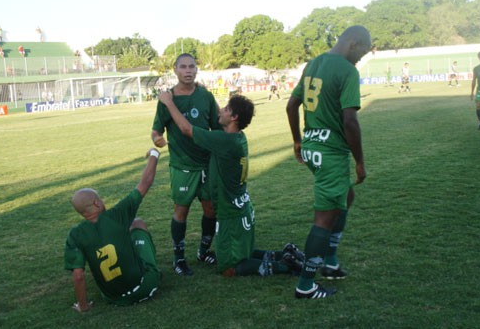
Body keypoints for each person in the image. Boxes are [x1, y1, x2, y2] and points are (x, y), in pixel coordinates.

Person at [160, 92, 305, 277]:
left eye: (226, 109)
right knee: (242, 254)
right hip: (241, 207)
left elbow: (187, 129)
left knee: (228, 268)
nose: (221, 110)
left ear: (234, 117)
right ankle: (285, 255)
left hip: (231, 214)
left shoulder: (225, 141)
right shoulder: (237, 137)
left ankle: (285, 267)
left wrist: (169, 103)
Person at [286, 25, 371, 299]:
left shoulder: (314, 63)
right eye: (361, 53)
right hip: (331, 152)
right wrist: (359, 161)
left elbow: (291, 105)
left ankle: (330, 261)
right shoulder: (347, 70)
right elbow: (350, 121)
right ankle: (306, 284)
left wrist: (298, 141)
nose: (359, 59)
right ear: (354, 43)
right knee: (324, 218)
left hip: (312, 147)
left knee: (346, 196)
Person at [64, 148, 162, 311]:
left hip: (115, 298)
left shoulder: (75, 235)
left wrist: (83, 305)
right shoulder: (116, 215)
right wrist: (154, 154)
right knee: (137, 223)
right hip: (145, 286)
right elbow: (146, 182)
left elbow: (78, 276)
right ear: (96, 203)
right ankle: (153, 271)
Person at [151, 53, 220, 276]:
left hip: (206, 164)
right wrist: (156, 139)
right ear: (175, 70)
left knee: (210, 209)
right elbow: (156, 129)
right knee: (181, 210)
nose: (188, 70)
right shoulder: (166, 99)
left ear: (197, 70)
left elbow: (217, 127)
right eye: (183, 67)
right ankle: (179, 259)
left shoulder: (206, 97)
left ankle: (203, 251)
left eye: (192, 66)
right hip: (182, 166)